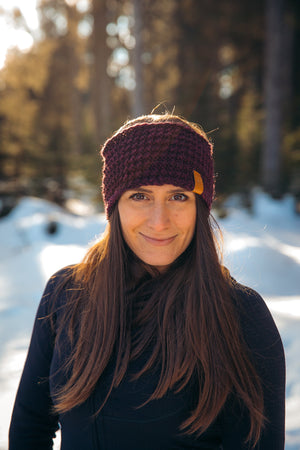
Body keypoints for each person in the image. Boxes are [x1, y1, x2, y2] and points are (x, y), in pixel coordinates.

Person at [9, 113, 285, 450]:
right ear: (114, 206)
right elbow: (30, 427)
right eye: (140, 195)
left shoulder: (240, 314)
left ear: (201, 206)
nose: (159, 221)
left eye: (178, 196)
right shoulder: (66, 293)